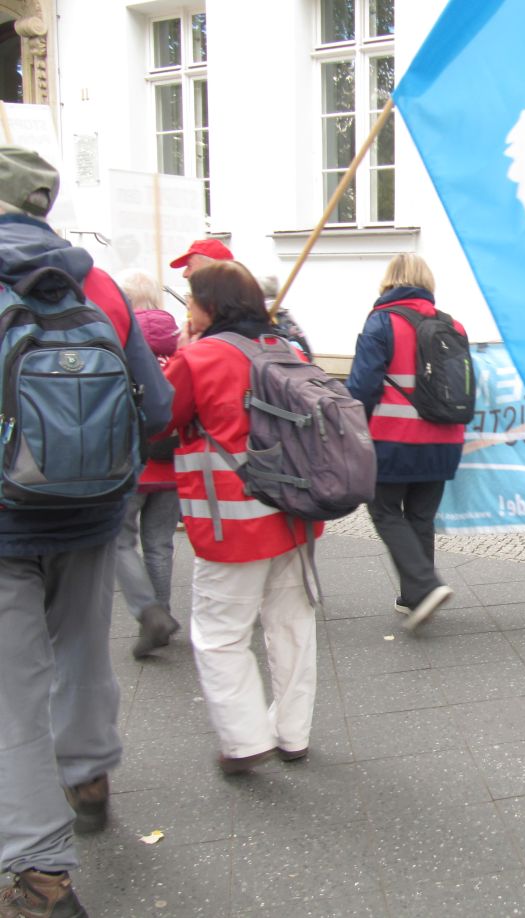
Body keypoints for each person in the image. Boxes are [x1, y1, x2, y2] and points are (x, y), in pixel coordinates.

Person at [0, 147, 172, 917]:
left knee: (11, 694)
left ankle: (40, 869)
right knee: (82, 654)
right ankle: (90, 776)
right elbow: (159, 406)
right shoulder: (97, 281)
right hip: (94, 512)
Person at [161, 260, 320, 773]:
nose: (186, 310)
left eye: (190, 300)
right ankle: (292, 732)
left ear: (210, 306)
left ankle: (247, 740)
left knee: (220, 634)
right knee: (292, 625)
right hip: (295, 516)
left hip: (232, 522)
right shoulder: (285, 348)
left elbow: (158, 421)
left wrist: (184, 351)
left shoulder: (200, 357)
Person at [346, 253, 464, 633]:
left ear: (389, 281)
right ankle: (415, 597)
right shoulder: (453, 326)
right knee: (420, 517)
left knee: (384, 511)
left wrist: (352, 428)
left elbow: (362, 387)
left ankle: (426, 585)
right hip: (445, 440)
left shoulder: (382, 322)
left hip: (394, 440)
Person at [114, 269, 183, 659]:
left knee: (119, 540)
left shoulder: (122, 338)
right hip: (171, 461)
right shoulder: (179, 340)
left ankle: (148, 614)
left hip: (134, 461)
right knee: (160, 543)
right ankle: (165, 614)